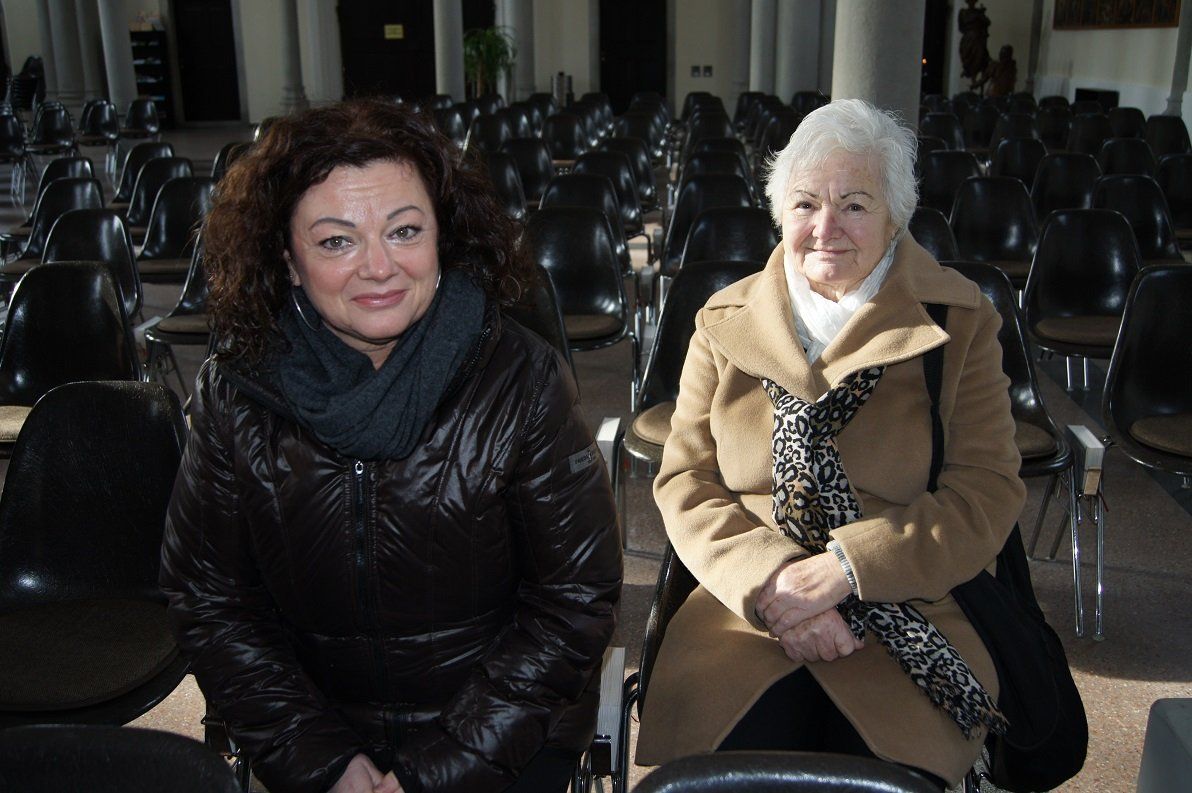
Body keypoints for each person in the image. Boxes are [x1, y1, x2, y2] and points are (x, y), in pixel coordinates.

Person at [160, 99, 622, 793]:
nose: (379, 267)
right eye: (336, 241)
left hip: (505, 735)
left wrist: (436, 769)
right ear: (288, 260)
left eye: (404, 231)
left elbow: (573, 598)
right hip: (315, 735)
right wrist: (323, 759)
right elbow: (210, 598)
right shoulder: (236, 393)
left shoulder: (522, 380)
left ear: (442, 239)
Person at [634, 99, 1026, 789]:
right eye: (806, 203)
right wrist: (778, 579)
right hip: (745, 610)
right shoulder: (723, 320)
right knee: (727, 775)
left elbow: (985, 493)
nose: (825, 228)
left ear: (895, 214)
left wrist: (847, 568)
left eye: (854, 205)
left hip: (909, 608)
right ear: (779, 212)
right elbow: (686, 482)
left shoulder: (959, 320)